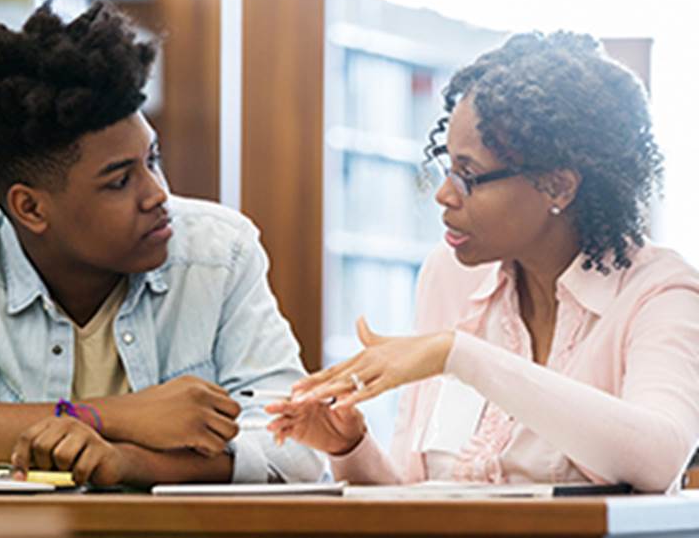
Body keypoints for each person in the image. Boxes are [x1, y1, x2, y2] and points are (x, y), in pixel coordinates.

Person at [267, 32, 699, 493]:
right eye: (447, 167)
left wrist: (459, 355)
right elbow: (413, 495)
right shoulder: (449, 275)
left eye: (469, 176)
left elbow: (660, 458)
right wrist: (349, 447)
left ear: (558, 186)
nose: (444, 194)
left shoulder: (661, 293)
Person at [0, 0, 324, 487]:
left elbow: (299, 446)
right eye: (119, 181)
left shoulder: (220, 254)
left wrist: (131, 463)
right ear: (31, 209)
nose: (158, 194)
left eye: (152, 159)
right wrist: (115, 416)